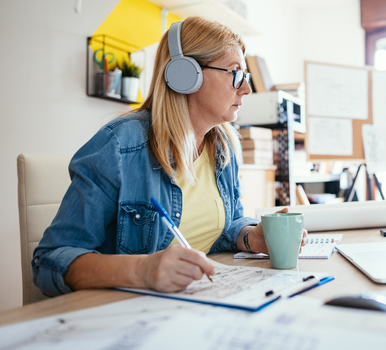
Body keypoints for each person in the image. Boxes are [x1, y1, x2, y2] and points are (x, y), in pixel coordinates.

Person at [33, 17, 306, 297]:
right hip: (126, 313)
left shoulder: (222, 145)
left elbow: (225, 225)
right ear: (185, 75)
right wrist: (142, 270)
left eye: (245, 75)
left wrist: (250, 237)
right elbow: (49, 261)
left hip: (200, 302)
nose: (246, 88)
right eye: (235, 72)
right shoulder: (119, 146)